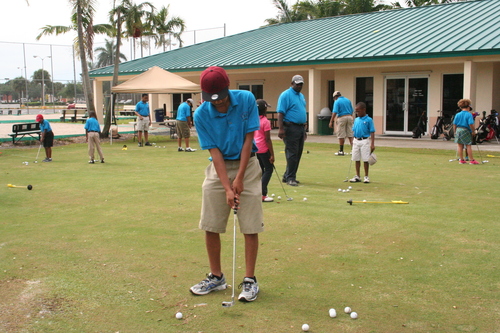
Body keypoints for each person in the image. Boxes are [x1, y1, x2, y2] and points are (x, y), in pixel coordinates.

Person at [190, 66, 263, 303]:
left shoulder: (247, 99)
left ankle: (250, 280)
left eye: (221, 99)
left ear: (227, 88)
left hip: (248, 165)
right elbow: (215, 153)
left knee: (250, 225)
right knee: (210, 223)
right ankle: (216, 276)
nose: (219, 104)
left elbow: (248, 139)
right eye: (213, 101)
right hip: (218, 167)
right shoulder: (201, 114)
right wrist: (227, 187)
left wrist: (239, 179)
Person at [277, 74, 307, 187]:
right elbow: (280, 112)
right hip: (290, 127)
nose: (299, 86)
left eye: (301, 84)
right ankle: (290, 177)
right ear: (292, 83)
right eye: (297, 84)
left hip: (300, 127)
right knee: (292, 153)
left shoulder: (301, 96)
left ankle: (288, 175)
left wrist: (303, 129)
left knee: (298, 153)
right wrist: (280, 128)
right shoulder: (285, 95)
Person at [349, 102, 375, 183]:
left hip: (365, 140)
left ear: (364, 110)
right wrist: (352, 141)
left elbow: (372, 132)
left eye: (358, 111)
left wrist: (372, 143)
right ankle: (357, 176)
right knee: (356, 158)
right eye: (356, 111)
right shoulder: (356, 120)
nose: (357, 113)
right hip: (356, 140)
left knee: (365, 159)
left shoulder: (369, 120)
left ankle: (366, 176)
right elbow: (353, 131)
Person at [255, 99, 275, 202]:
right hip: (263, 149)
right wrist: (272, 154)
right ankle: (262, 194)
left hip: (255, 149)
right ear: (264, 109)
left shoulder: (253, 119)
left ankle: (258, 193)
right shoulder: (265, 121)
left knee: (260, 170)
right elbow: (267, 139)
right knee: (269, 169)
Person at [453, 99, 479, 165]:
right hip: (466, 129)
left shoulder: (457, 114)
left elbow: (454, 124)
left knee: (460, 145)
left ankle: (461, 160)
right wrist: (474, 131)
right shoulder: (469, 115)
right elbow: (470, 124)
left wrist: (455, 132)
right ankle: (471, 160)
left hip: (458, 129)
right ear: (468, 106)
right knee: (468, 145)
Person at [329, 91, 354, 156]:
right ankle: (353, 150)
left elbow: (334, 112)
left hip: (342, 117)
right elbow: (352, 111)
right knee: (350, 134)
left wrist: (331, 121)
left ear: (335, 97)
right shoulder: (348, 100)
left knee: (341, 134)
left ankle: (341, 150)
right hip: (350, 117)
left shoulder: (337, 101)